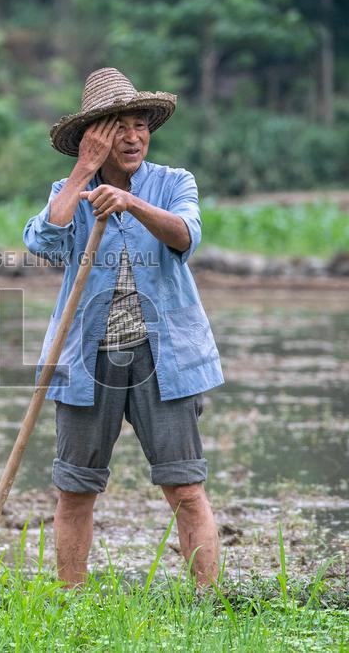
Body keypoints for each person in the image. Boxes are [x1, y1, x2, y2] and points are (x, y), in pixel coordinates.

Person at [22, 67, 225, 588]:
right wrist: (83, 172)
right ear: (94, 139)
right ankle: (71, 599)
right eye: (119, 129)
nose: (133, 137)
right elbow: (42, 242)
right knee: (75, 489)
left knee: (185, 488)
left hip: (165, 358)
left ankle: (209, 602)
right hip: (86, 361)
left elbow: (185, 237)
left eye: (140, 125)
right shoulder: (69, 192)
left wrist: (130, 202)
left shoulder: (174, 183)